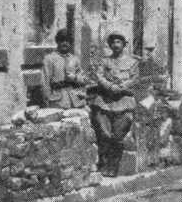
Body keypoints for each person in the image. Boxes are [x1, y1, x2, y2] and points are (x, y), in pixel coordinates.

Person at [91, 33, 138, 177]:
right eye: (113, 42)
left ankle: (113, 166)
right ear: (110, 46)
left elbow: (135, 79)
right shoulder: (105, 62)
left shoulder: (132, 62)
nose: (116, 45)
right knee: (104, 134)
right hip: (106, 102)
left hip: (124, 102)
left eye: (119, 42)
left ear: (124, 44)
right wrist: (110, 86)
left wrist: (122, 87)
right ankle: (104, 165)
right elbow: (99, 76)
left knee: (118, 136)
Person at [41, 29, 88, 109]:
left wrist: (75, 78)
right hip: (57, 101)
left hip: (75, 101)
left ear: (70, 43)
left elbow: (84, 80)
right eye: (62, 40)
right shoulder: (49, 59)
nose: (65, 43)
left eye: (67, 41)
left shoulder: (74, 59)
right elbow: (45, 82)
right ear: (57, 42)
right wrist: (47, 100)